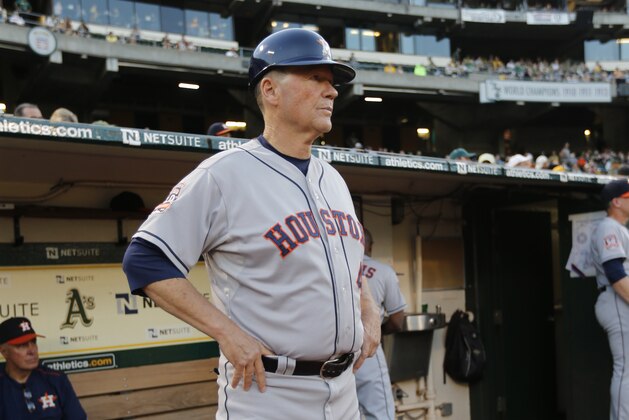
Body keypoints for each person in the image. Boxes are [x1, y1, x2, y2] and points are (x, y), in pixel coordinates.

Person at [122, 28, 381, 419]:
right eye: (316, 78)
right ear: (270, 90)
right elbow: (144, 260)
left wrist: (369, 309)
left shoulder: (334, 179)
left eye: (332, 83)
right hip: (268, 392)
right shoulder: (224, 175)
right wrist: (227, 333)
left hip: (344, 392)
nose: (331, 91)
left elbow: (350, 261)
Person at [355, 228, 406, 420]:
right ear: (370, 245)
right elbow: (397, 320)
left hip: (333, 353)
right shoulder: (383, 271)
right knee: (379, 415)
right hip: (367, 352)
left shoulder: (334, 267)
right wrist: (379, 331)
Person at [591, 179, 629, 420]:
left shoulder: (621, 229)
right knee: (625, 369)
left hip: (621, 300)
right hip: (617, 300)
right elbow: (615, 274)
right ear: (616, 201)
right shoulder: (608, 227)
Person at [0, 317, 87, 419]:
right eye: (22, 345)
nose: (32, 351)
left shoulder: (56, 379)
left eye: (33, 342)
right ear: (4, 351)